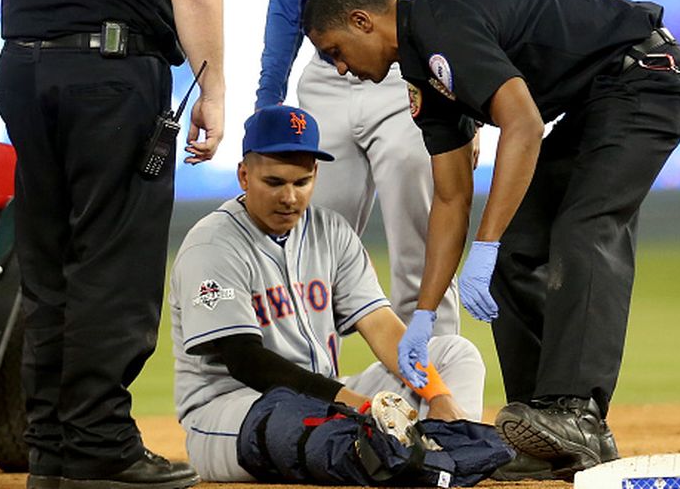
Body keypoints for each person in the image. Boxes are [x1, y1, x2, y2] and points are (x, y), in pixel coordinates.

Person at [302, 0, 680, 480]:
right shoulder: (423, 78)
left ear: (362, 21)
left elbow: (524, 124)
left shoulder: (440, 22)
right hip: (599, 100)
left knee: (584, 227)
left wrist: (484, 242)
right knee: (517, 249)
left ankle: (578, 414)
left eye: (334, 50)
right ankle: (543, 426)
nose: (340, 68)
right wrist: (424, 312)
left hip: (647, 77)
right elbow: (450, 198)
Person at [169, 105, 485, 482]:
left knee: (455, 354)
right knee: (303, 422)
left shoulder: (330, 231)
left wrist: (437, 395)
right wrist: (358, 407)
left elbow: (381, 326)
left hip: (327, 401)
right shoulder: (213, 244)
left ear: (316, 175)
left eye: (301, 182)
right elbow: (245, 361)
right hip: (234, 412)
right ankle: (408, 462)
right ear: (244, 175)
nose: (289, 197)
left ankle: (445, 457)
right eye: (274, 182)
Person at [0, 0, 223, 488]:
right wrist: (213, 89)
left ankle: (52, 451)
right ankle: (98, 444)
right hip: (110, 69)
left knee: (48, 269)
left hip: (22, 67)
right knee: (114, 267)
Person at [255, 0, 464, 334]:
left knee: (418, 249)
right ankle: (305, 365)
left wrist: (463, 103)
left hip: (404, 68)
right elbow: (286, 5)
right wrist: (267, 100)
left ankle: (434, 363)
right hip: (328, 70)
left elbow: (441, 3)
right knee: (310, 253)